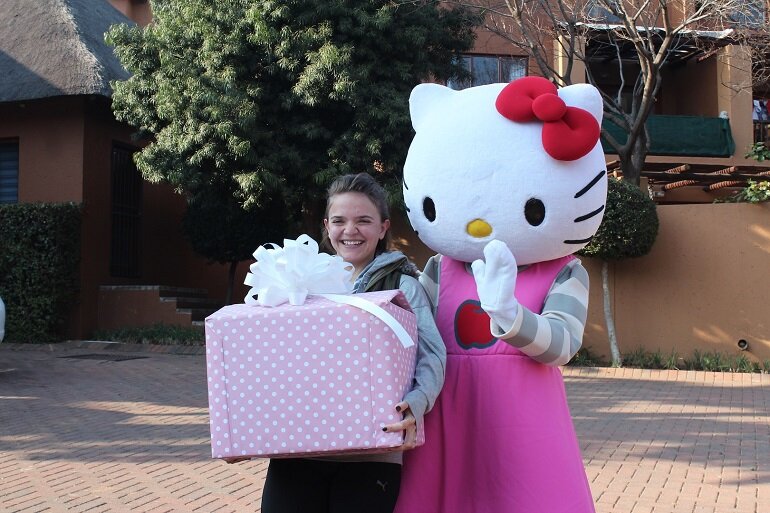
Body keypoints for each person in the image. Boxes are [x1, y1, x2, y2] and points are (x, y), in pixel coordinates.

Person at [258, 172, 446, 513]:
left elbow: (431, 354)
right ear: (327, 226)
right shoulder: (295, 283)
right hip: (298, 449)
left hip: (373, 451)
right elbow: (270, 358)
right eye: (340, 221)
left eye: (364, 221)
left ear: (383, 227)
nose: (350, 231)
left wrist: (418, 401)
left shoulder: (403, 285)